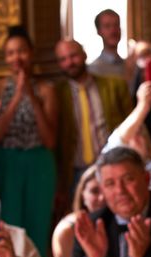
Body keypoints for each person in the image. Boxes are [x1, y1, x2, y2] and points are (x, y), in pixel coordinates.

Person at [0, 26, 57, 257]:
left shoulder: (47, 90)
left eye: (22, 51)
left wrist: (31, 95)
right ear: (5, 57)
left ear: (31, 53)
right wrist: (16, 96)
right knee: (7, 224)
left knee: (38, 225)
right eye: (10, 53)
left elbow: (49, 139)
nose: (17, 57)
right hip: (6, 164)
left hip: (39, 163)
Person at [54, 39, 132, 199]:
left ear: (84, 54)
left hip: (112, 163)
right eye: (63, 59)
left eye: (73, 56)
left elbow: (132, 125)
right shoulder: (56, 93)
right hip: (75, 170)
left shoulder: (114, 86)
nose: (69, 62)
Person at [52, 165, 105, 257]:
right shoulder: (67, 230)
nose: (102, 197)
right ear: (82, 194)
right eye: (94, 191)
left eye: (106, 189)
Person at [88, 9, 125, 78]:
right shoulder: (93, 69)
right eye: (107, 26)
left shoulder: (129, 65)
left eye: (116, 25)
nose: (113, 30)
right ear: (99, 31)